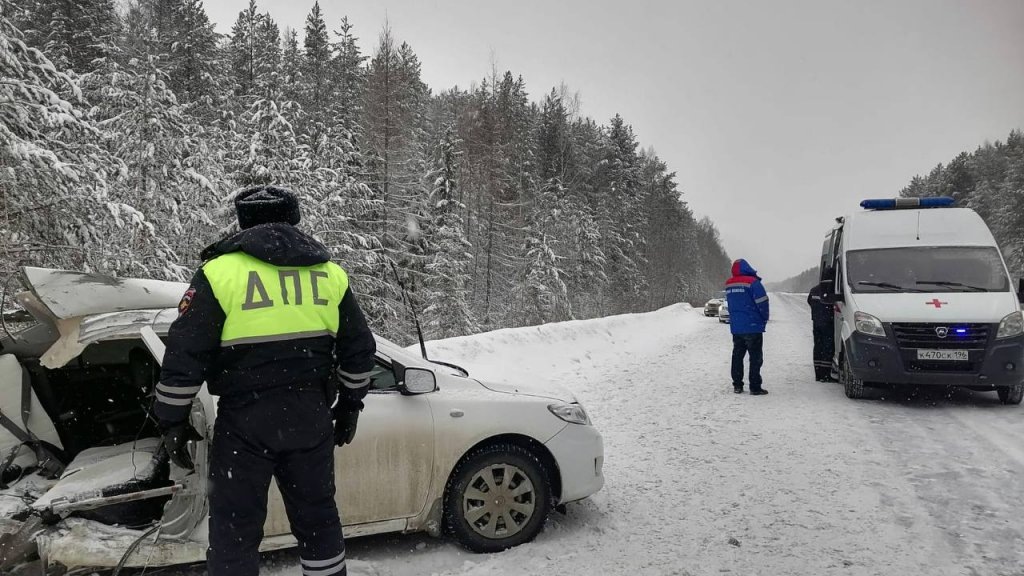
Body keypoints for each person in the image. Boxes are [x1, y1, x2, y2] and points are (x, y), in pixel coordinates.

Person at [154, 186, 376, 576]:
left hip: (245, 422)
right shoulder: (328, 274)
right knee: (318, 519)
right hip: (310, 416)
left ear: (242, 222)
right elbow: (359, 350)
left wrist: (171, 419)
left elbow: (185, 354)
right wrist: (351, 405)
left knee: (235, 528)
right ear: (294, 218)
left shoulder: (219, 273)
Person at [725, 259, 769, 395]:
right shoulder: (753, 283)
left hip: (737, 327)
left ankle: (737, 385)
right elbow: (762, 303)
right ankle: (755, 386)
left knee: (737, 355)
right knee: (755, 357)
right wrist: (764, 318)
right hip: (753, 326)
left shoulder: (729, 284)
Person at [807, 282, 836, 382]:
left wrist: (817, 313)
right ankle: (825, 375)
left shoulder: (814, 289)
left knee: (818, 346)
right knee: (827, 347)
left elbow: (809, 301)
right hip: (827, 322)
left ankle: (818, 374)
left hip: (816, 322)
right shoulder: (831, 289)